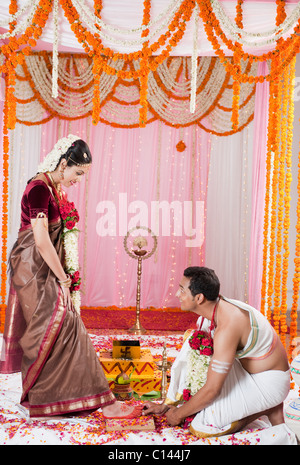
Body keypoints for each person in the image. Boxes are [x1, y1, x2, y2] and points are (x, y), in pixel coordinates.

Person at [0, 134, 142, 420]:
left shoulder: (54, 189)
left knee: (65, 327)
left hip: (46, 268)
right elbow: (41, 241)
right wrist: (63, 278)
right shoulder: (39, 189)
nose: (78, 179)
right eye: (77, 172)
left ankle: (54, 400)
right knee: (56, 326)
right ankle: (93, 401)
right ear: (63, 163)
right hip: (35, 270)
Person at [142, 266, 291, 438]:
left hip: (269, 383)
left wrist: (178, 414)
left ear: (199, 298)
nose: (177, 294)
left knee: (202, 425)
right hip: (245, 371)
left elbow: (213, 390)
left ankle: (268, 407)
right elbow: (195, 366)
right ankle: (177, 403)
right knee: (194, 341)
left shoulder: (227, 326)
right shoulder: (214, 312)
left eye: (182, 290)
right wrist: (169, 406)